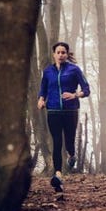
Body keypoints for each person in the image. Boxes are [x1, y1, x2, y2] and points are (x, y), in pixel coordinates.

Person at [37, 42, 90, 192]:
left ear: (67, 55)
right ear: (54, 54)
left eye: (63, 52)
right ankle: (58, 175)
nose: (60, 55)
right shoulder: (47, 72)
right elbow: (43, 90)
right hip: (53, 111)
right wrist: (41, 100)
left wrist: (74, 95)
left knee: (69, 142)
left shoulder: (74, 70)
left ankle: (72, 155)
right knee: (57, 142)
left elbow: (86, 89)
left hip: (70, 111)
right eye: (58, 52)